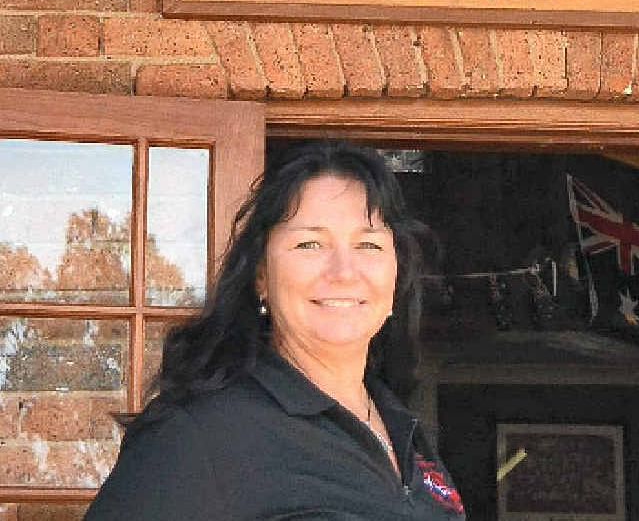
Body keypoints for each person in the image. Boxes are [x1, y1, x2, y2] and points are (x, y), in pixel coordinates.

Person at [86, 141, 465, 520]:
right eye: (310, 244)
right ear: (261, 276)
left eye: (368, 244)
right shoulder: (202, 434)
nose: (344, 272)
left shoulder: (402, 427)